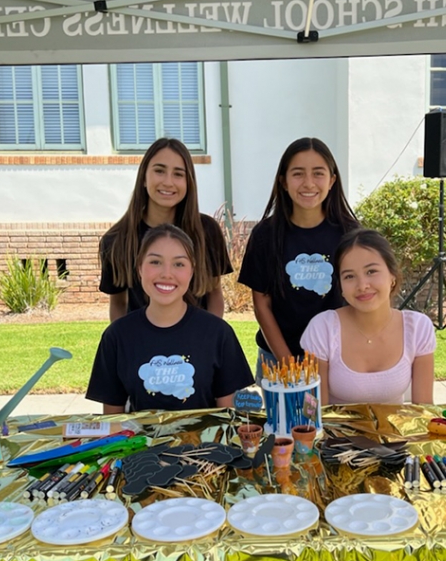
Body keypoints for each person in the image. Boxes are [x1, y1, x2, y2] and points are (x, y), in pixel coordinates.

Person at [87, 224, 253, 413]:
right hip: (140, 442)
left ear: (192, 271)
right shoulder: (117, 336)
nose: (166, 274)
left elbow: (229, 418)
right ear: (140, 267)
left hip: (205, 443)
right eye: (155, 262)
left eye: (179, 264)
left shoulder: (218, 333)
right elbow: (112, 423)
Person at [238, 137, 359, 379]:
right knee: (281, 419)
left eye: (318, 173)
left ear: (332, 180)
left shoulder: (350, 233)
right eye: (298, 174)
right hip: (276, 358)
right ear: (283, 181)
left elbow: (359, 298)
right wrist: (288, 364)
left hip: (337, 358)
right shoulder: (265, 235)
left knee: (336, 420)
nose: (308, 183)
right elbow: (262, 305)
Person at [98, 138, 231, 322]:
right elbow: (118, 304)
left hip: (196, 342)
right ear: (144, 178)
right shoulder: (117, 239)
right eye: (159, 171)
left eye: (178, 174)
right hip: (143, 345)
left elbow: (214, 294)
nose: (168, 182)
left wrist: (209, 338)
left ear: (188, 182)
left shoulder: (207, 231)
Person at [300, 228, 436, 405]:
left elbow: (424, 409)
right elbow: (314, 412)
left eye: (371, 271)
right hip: (335, 433)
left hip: (394, 432)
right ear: (340, 285)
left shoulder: (418, 327)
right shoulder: (322, 328)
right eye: (349, 276)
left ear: (392, 275)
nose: (362, 285)